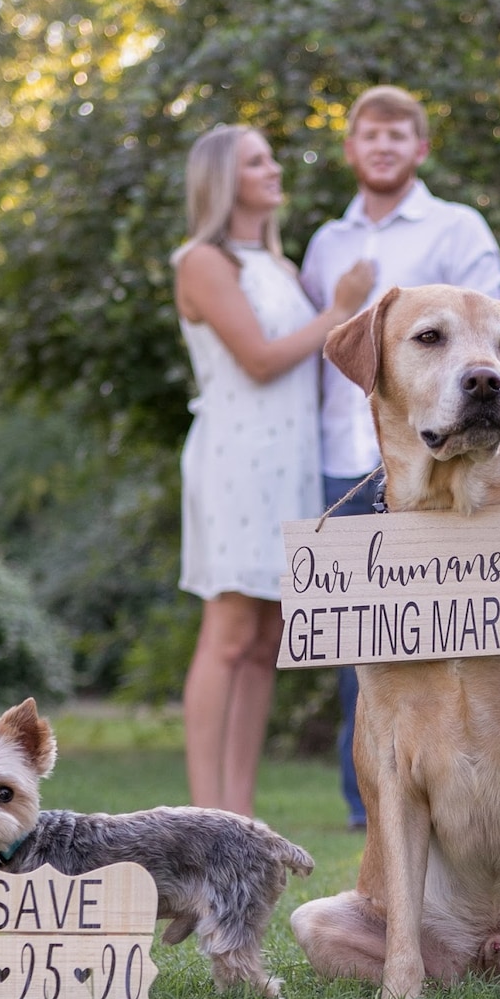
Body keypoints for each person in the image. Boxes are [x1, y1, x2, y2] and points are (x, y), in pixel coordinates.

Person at [299, 86, 500, 830]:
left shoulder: (457, 225)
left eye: (398, 135)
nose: (383, 146)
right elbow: (319, 348)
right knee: (369, 648)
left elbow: (490, 321)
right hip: (346, 459)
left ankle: (471, 802)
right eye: (370, 135)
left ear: (420, 149)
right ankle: (372, 810)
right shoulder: (327, 241)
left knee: (464, 632)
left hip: (449, 463)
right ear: (352, 150)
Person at [172, 124, 374, 817]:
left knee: (266, 642)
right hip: (235, 458)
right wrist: (339, 311)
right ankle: (204, 821)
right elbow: (258, 358)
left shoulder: (281, 268)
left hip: (289, 462)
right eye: (258, 160)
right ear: (225, 178)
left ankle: (240, 815)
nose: (274, 168)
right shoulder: (203, 261)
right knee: (227, 633)